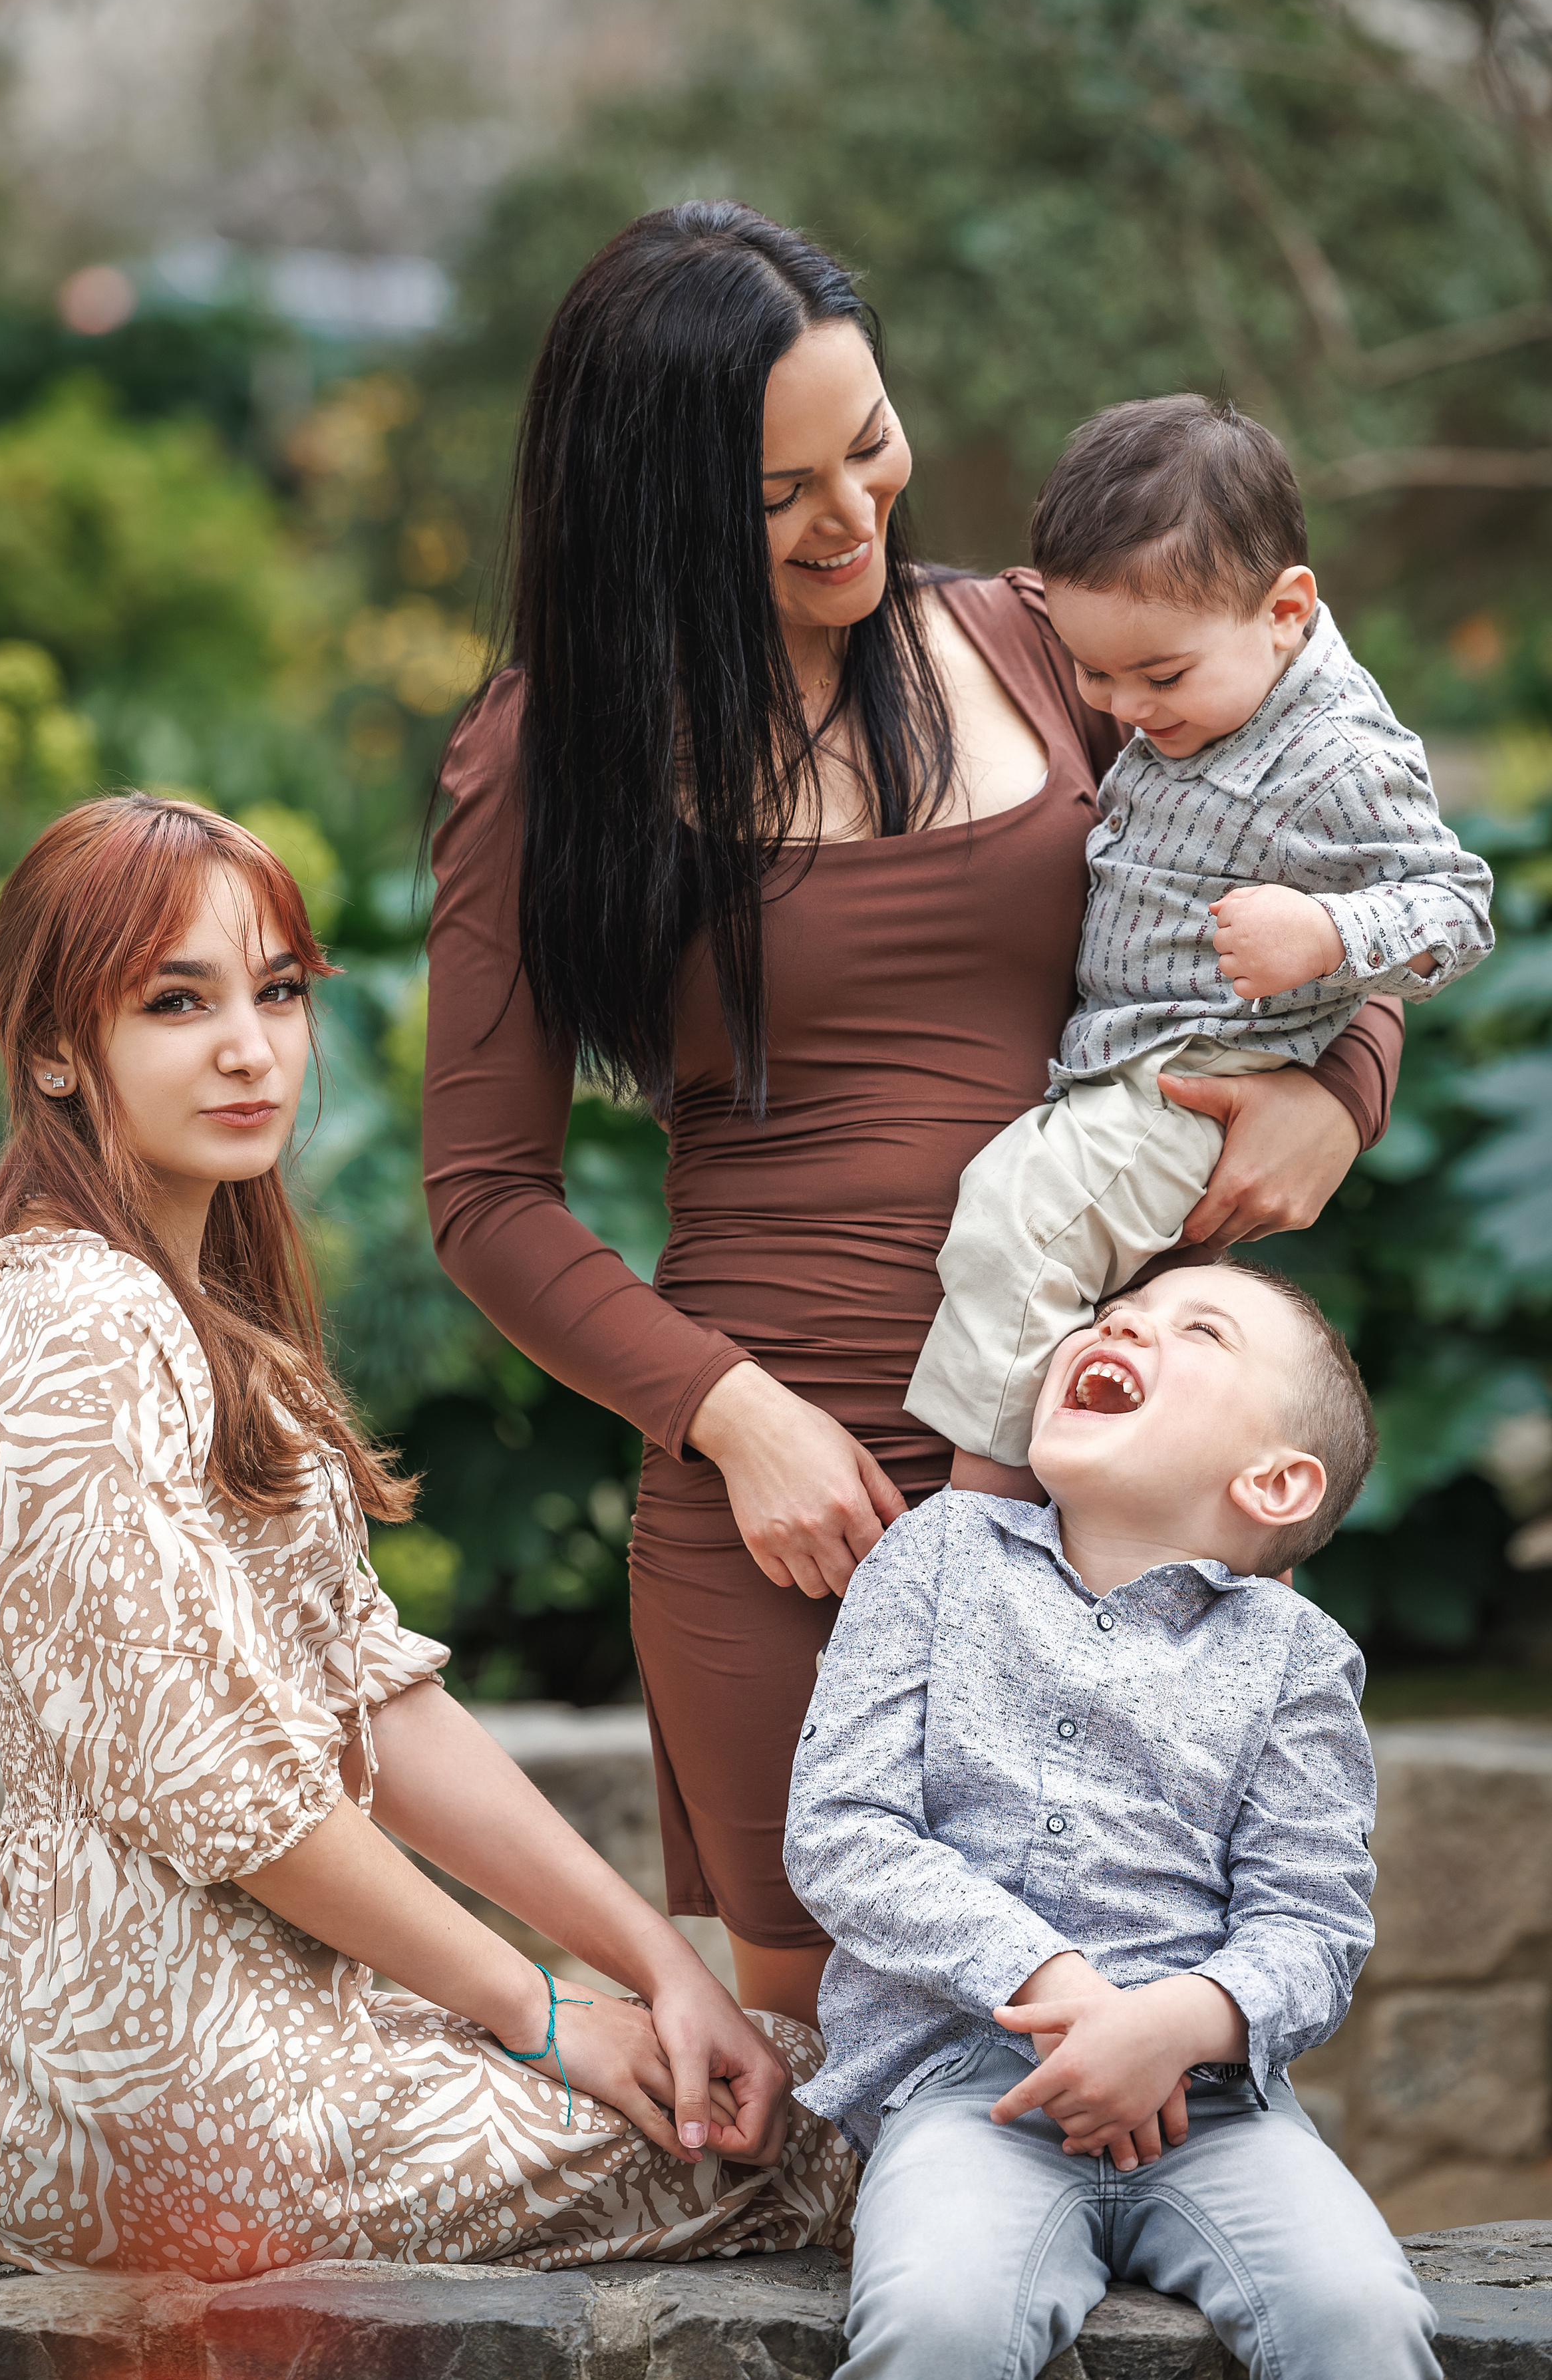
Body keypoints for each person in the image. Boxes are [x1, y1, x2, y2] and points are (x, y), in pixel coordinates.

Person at [422, 200, 1405, 2027]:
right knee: (855, 2119)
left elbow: (1347, 873)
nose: (854, 510)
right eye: (778, 488)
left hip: (1119, 1476)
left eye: (868, 442)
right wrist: (736, 1421)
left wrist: (1338, 1093)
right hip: (795, 1503)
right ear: (647, 513)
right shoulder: (551, 755)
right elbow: (485, 1193)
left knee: (1159, 2059)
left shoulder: (1061, 646)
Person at [0, 792, 852, 2280]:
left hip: (267, 2031)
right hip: (154, 2086)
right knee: (840, 2116)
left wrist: (657, 1964)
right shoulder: (66, 1320)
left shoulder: (186, 1310)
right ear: (50, 1048)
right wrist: (538, 2010)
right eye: (177, 1001)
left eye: (277, 990)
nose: (251, 1046)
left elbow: (373, 1694)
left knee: (779, 2059)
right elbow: (226, 1783)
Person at [784, 1259, 1440, 2379]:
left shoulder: (1297, 1660)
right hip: (968, 2094)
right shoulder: (938, 1557)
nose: (1125, 1325)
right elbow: (844, 1827)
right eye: (1115, 1313)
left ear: (1275, 1484)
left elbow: (1314, 1925)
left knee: (1361, 2315)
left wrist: (1174, 2025)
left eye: (1200, 1330)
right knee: (937, 2321)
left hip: (1216, 2112)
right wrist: (1059, 1987)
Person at [905, 395, 1492, 1466]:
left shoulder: (1336, 757)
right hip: (1127, 1054)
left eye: (1160, 675)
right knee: (1061, 1258)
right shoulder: (1201, 680)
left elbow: (1457, 908)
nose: (1125, 704)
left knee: (1017, 1229)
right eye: (1095, 673)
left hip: (1203, 1064)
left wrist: (1326, 928)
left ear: (1285, 609)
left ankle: (982, 1513)